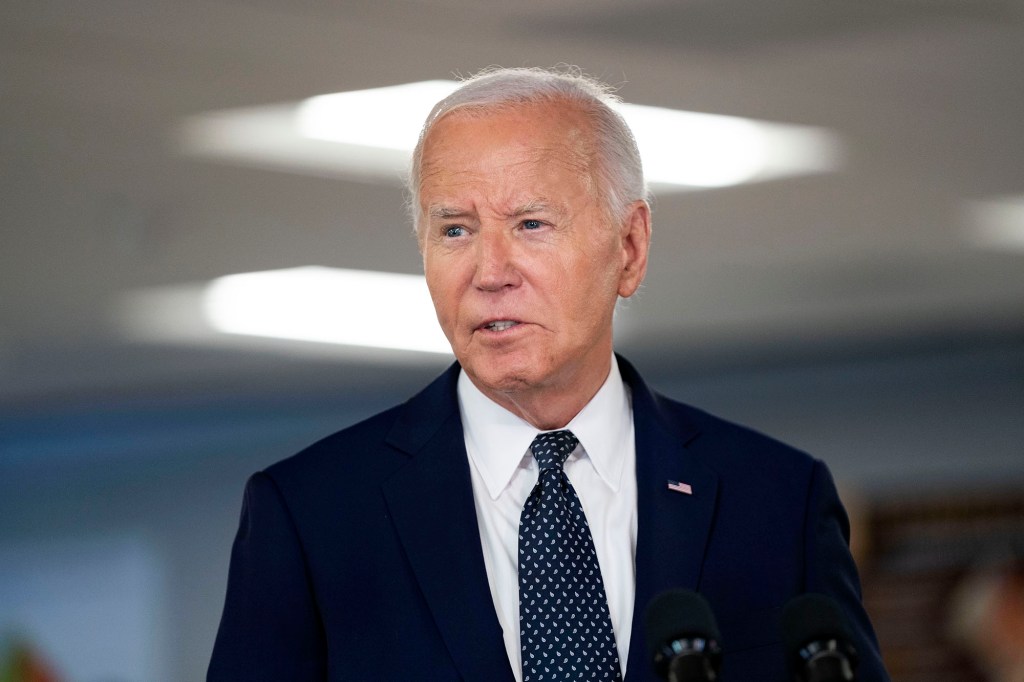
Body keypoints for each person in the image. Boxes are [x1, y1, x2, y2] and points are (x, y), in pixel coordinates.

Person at [208, 66, 889, 681]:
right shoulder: (314, 515)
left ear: (629, 247)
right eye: (454, 231)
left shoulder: (774, 501)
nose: (489, 272)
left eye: (530, 224)